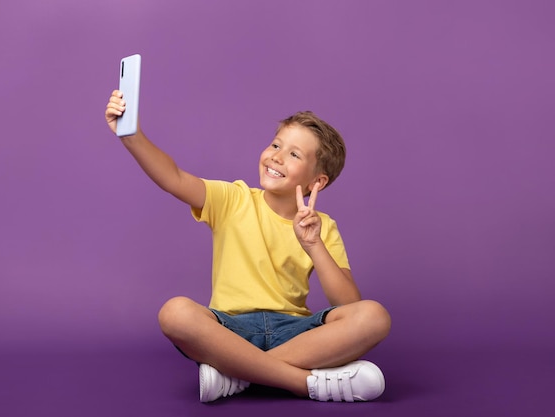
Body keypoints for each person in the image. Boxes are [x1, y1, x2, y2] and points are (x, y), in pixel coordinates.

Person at [105, 89, 391, 403]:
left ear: (317, 182)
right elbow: (173, 177)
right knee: (175, 313)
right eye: (276, 145)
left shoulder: (321, 226)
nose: (276, 157)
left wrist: (313, 245)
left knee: (375, 317)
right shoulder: (233, 198)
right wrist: (131, 136)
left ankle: (238, 374)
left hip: (294, 330)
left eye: (294, 155)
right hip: (230, 329)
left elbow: (348, 305)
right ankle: (304, 382)